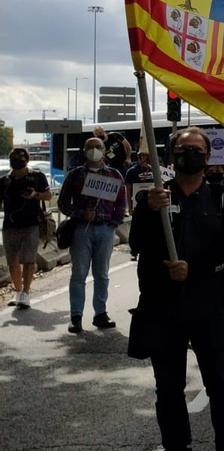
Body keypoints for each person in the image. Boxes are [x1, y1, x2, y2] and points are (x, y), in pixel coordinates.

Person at [130, 126, 224, 451]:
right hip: (163, 307)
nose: (190, 154)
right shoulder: (153, 197)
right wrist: (148, 211)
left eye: (197, 149)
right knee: (168, 389)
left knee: (221, 385)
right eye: (183, 149)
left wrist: (193, 269)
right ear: (171, 155)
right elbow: (137, 243)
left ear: (208, 156)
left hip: (210, 305)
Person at [58, 136, 127, 333]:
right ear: (84, 150)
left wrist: (113, 224)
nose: (94, 150)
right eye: (90, 147)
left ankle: (100, 314)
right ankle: (76, 316)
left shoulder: (114, 175)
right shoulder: (75, 175)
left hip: (105, 229)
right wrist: (80, 214)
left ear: (104, 150)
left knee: (102, 274)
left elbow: (121, 203)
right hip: (81, 230)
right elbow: (63, 203)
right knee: (78, 274)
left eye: (98, 146)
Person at [1, 148, 51, 309]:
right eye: (14, 158)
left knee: (29, 260)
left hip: (31, 223)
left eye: (21, 158)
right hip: (10, 225)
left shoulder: (37, 177)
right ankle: (18, 291)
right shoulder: (4, 181)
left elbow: (48, 195)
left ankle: (26, 293)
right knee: (12, 262)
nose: (17, 161)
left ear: (27, 160)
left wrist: (35, 194)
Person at [125, 149, 156, 262]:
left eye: (147, 157)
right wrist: (129, 206)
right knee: (136, 228)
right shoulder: (132, 171)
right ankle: (134, 250)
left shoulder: (155, 170)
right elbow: (128, 190)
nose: (144, 159)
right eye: (142, 156)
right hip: (137, 204)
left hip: (152, 204)